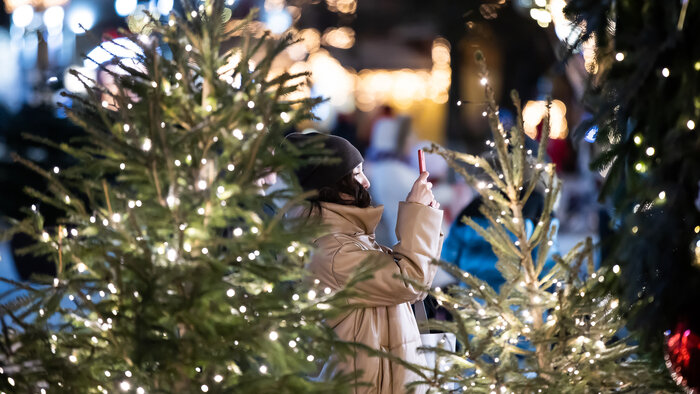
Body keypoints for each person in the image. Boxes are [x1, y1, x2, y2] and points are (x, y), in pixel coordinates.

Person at [285, 132, 444, 394]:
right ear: (333, 184)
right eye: (356, 173)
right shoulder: (333, 251)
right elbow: (409, 281)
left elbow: (417, 282)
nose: (367, 182)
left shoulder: (350, 239)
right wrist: (417, 212)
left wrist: (424, 218)